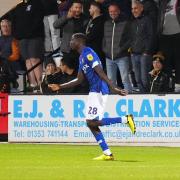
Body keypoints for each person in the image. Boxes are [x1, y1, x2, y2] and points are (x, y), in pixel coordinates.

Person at [49, 33, 136, 161]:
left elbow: (100, 71)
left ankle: (126, 119)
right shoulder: (81, 57)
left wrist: (113, 87)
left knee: (92, 122)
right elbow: (79, 79)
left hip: (99, 88)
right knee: (91, 123)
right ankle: (107, 153)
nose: (70, 42)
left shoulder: (88, 52)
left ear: (79, 41)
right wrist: (60, 86)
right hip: (94, 90)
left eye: (72, 39)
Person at [103, 3, 132, 92]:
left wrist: (121, 49)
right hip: (109, 58)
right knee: (111, 81)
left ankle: (129, 98)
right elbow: (104, 38)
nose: (113, 13)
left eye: (115, 11)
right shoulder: (106, 23)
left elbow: (130, 39)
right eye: (111, 11)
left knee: (125, 79)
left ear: (118, 11)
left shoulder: (125, 23)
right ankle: (113, 99)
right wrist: (105, 50)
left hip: (122, 57)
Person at [130, 0, 154, 92]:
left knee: (145, 79)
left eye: (135, 8)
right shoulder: (133, 22)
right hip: (134, 54)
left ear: (141, 8)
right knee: (137, 79)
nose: (133, 10)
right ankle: (142, 97)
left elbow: (151, 36)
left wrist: (146, 51)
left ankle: (148, 96)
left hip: (144, 54)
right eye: (132, 9)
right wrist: (131, 51)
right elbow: (131, 37)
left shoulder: (147, 20)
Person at [157, 0, 180, 92]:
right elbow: (160, 18)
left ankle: (178, 86)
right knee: (166, 63)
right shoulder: (163, 2)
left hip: (178, 35)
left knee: (178, 61)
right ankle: (168, 87)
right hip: (164, 36)